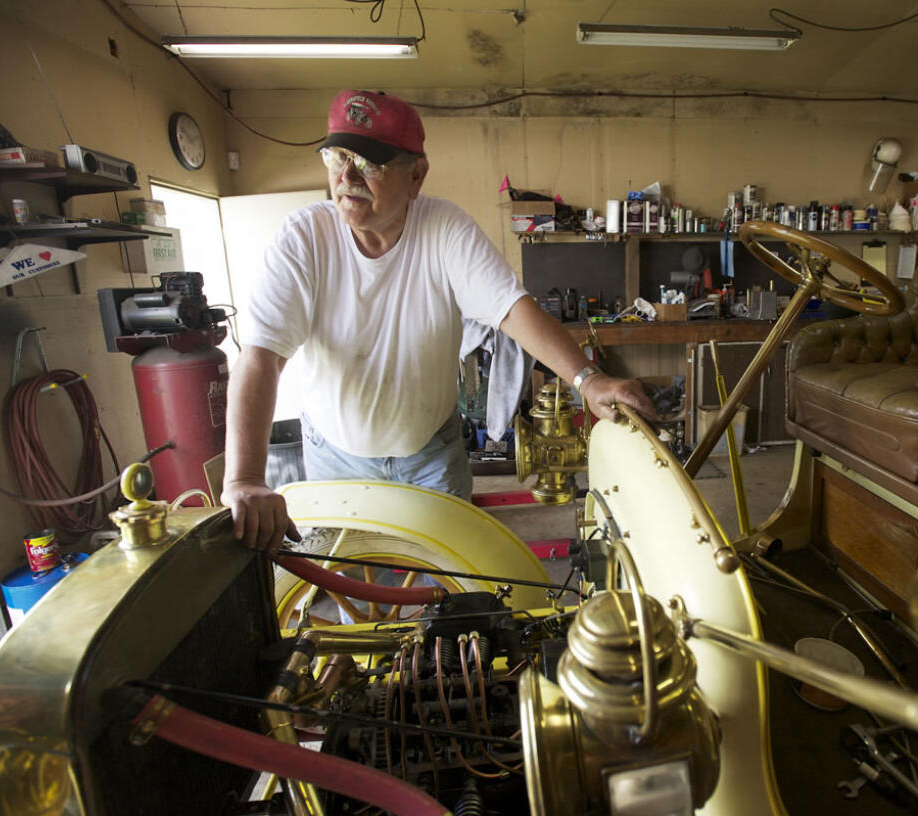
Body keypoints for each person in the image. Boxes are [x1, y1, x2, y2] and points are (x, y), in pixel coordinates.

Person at [222, 89, 656, 551]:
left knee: (455, 580)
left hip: (430, 452)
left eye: (369, 162)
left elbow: (511, 308)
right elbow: (262, 357)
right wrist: (245, 478)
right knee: (337, 586)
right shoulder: (304, 238)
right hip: (335, 453)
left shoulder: (445, 228)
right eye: (338, 156)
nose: (347, 176)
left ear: (416, 176)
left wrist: (588, 381)